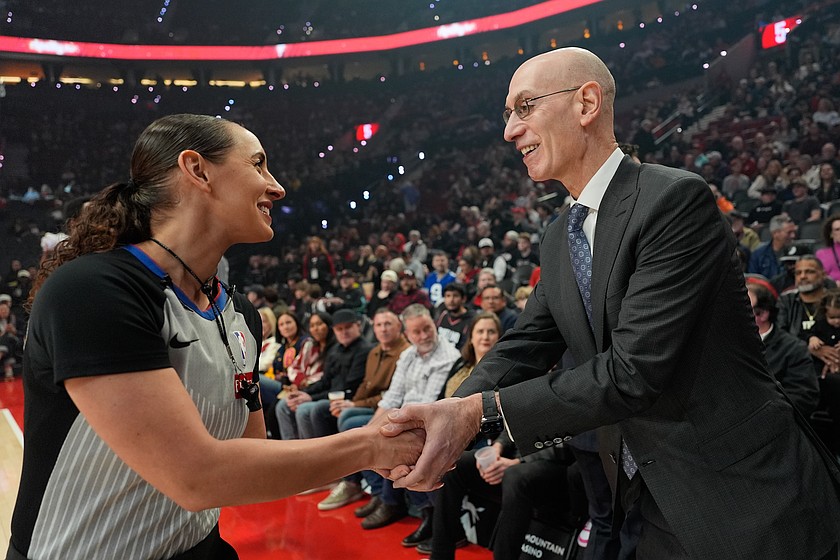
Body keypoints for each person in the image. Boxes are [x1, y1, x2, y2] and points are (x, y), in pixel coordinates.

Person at [379, 48, 840, 559]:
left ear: (587, 103)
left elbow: (633, 372)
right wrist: (448, 411)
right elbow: (526, 342)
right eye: (508, 114)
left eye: (525, 107)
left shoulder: (674, 200)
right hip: (648, 502)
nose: (510, 130)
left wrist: (477, 413)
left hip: (745, 497)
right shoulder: (559, 236)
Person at [8, 114, 423, 560]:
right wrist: (371, 444)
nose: (277, 186)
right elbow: (195, 477)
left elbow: (248, 454)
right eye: (259, 165)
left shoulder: (241, 314)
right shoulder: (93, 290)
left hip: (199, 547)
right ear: (198, 170)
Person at [317, 308, 411, 512]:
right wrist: (351, 403)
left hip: (396, 408)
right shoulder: (375, 352)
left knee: (350, 421)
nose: (383, 329)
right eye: (379, 325)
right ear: (373, 328)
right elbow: (365, 386)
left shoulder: (405, 353)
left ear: (399, 327)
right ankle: (349, 480)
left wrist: (354, 405)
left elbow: (392, 396)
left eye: (388, 324)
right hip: (376, 404)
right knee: (342, 414)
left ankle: (367, 487)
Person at [275, 309, 373, 440]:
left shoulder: (364, 350)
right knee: (284, 403)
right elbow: (325, 381)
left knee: (305, 409)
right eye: (339, 329)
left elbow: (348, 387)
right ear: (334, 330)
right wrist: (305, 393)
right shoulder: (336, 350)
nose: (344, 332)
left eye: (348, 327)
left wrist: (311, 397)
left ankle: (314, 454)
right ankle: (292, 449)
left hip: (346, 397)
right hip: (330, 394)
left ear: (358, 326)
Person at [747, 281, 820, 416]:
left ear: (763, 314)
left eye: (743, 308)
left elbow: (804, 398)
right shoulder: (727, 344)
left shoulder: (793, 349)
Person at [747, 214, 797, 281]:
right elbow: (753, 280)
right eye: (789, 232)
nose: (793, 236)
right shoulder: (758, 254)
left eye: (794, 232)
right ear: (775, 233)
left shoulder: (797, 253)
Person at [808, 289, 840, 379]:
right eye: (832, 317)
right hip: (821, 361)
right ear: (825, 313)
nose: (837, 321)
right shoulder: (820, 324)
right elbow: (809, 333)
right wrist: (812, 338)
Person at [434, 282, 474, 349]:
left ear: (463, 299)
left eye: (455, 296)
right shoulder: (442, 313)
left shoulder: (471, 319)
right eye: (448, 296)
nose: (451, 300)